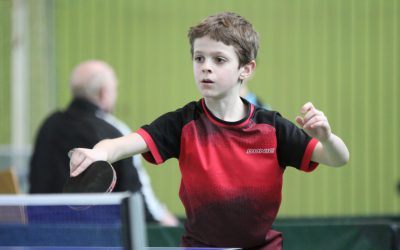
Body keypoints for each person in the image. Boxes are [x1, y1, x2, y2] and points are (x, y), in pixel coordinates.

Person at [68, 13, 349, 249]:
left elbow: (337, 158)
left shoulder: (271, 127)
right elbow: (124, 144)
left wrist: (327, 137)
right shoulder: (182, 123)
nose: (206, 68)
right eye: (199, 58)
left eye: (219, 60)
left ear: (246, 69)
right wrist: (97, 152)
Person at [29, 60, 178, 226]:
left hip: (44, 232)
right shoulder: (115, 131)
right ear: (103, 93)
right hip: (95, 237)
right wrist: (162, 220)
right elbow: (136, 196)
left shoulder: (48, 125)